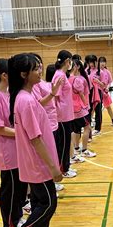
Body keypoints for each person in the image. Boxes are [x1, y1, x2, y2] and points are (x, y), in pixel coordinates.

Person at [7, 53, 65, 227]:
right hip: (38, 163)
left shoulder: (27, 97)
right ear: (24, 74)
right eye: (36, 69)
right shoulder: (25, 101)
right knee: (48, 204)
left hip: (37, 162)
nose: (40, 71)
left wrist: (53, 94)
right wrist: (53, 167)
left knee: (41, 201)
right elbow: (35, 139)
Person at [0, 59, 28, 227]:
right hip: (5, 150)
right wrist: (21, 133)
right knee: (9, 189)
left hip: (15, 148)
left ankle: (16, 217)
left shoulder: (9, 94)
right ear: (4, 75)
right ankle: (9, 224)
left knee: (19, 187)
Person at [31, 54, 66, 192]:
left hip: (52, 121)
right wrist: (52, 94)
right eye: (36, 67)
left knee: (53, 152)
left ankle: (51, 181)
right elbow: (38, 103)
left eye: (40, 65)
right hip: (46, 125)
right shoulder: (32, 87)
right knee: (47, 156)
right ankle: (48, 182)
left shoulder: (42, 82)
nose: (40, 69)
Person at [52, 50, 77, 178]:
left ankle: (66, 166)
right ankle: (63, 169)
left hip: (66, 114)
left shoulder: (61, 74)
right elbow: (55, 96)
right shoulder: (60, 76)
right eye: (70, 61)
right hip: (62, 116)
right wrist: (57, 114)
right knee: (63, 144)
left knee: (67, 142)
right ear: (67, 61)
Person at [70, 59, 97, 158]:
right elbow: (84, 94)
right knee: (87, 128)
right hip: (81, 108)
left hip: (71, 109)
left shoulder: (68, 78)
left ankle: (76, 148)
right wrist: (86, 105)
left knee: (75, 130)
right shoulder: (79, 79)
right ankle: (84, 149)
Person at [98, 57, 113, 127]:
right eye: (101, 62)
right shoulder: (96, 71)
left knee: (108, 107)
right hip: (97, 93)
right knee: (95, 109)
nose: (103, 63)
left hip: (105, 93)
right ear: (98, 63)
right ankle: (91, 122)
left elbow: (110, 81)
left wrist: (107, 88)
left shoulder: (107, 71)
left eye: (104, 62)